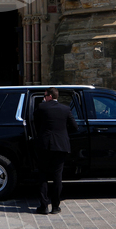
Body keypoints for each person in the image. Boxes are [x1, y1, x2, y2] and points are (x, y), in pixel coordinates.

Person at [34, 87, 78, 215]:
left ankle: (43, 206)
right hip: (61, 146)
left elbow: (35, 123)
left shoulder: (42, 107)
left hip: (44, 145)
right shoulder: (65, 109)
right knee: (57, 177)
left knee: (42, 175)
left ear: (49, 96)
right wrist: (63, 134)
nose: (44, 98)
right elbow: (75, 127)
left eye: (45, 95)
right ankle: (55, 207)